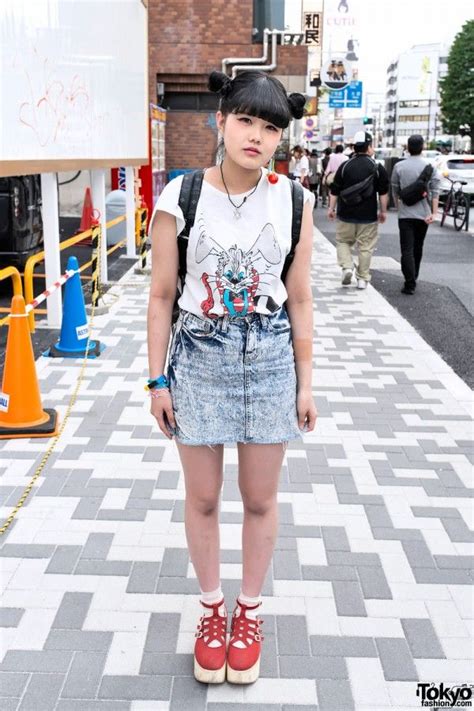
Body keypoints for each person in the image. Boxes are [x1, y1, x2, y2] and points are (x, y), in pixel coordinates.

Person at [147, 69, 317, 686]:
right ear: (220, 121)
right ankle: (212, 610)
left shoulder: (296, 200)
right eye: (245, 120)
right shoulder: (181, 197)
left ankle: (249, 611)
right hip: (199, 356)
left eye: (271, 127)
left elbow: (299, 299)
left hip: (270, 355)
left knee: (261, 498)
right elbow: (162, 295)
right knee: (203, 498)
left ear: (281, 139)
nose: (257, 136)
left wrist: (304, 381)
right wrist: (156, 382)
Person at [328, 130, 389, 289]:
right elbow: (383, 193)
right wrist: (383, 211)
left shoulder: (345, 166)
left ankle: (347, 267)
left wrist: (331, 208)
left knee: (343, 241)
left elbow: (334, 190)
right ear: (369, 147)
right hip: (368, 216)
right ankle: (362, 279)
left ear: (354, 147)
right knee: (366, 246)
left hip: (345, 214)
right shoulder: (376, 167)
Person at [391, 134, 441, 294]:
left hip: (405, 214)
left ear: (408, 147)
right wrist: (434, 212)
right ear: (423, 147)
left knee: (406, 249)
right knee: (418, 247)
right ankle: (414, 276)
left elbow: (395, 189)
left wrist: (399, 206)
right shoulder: (430, 166)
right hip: (423, 214)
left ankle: (409, 282)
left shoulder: (399, 166)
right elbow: (434, 190)